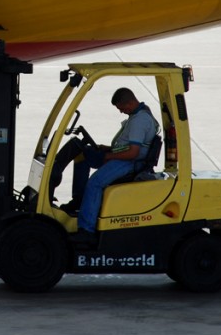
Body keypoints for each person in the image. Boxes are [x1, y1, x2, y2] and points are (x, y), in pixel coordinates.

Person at [59, 87, 159, 245]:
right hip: (124, 156)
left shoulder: (140, 120)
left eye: (122, 108)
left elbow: (133, 153)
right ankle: (79, 200)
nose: (121, 112)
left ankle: (86, 231)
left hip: (129, 162)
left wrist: (108, 156)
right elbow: (128, 146)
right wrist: (107, 148)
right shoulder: (138, 114)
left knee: (95, 183)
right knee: (83, 155)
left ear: (131, 102)